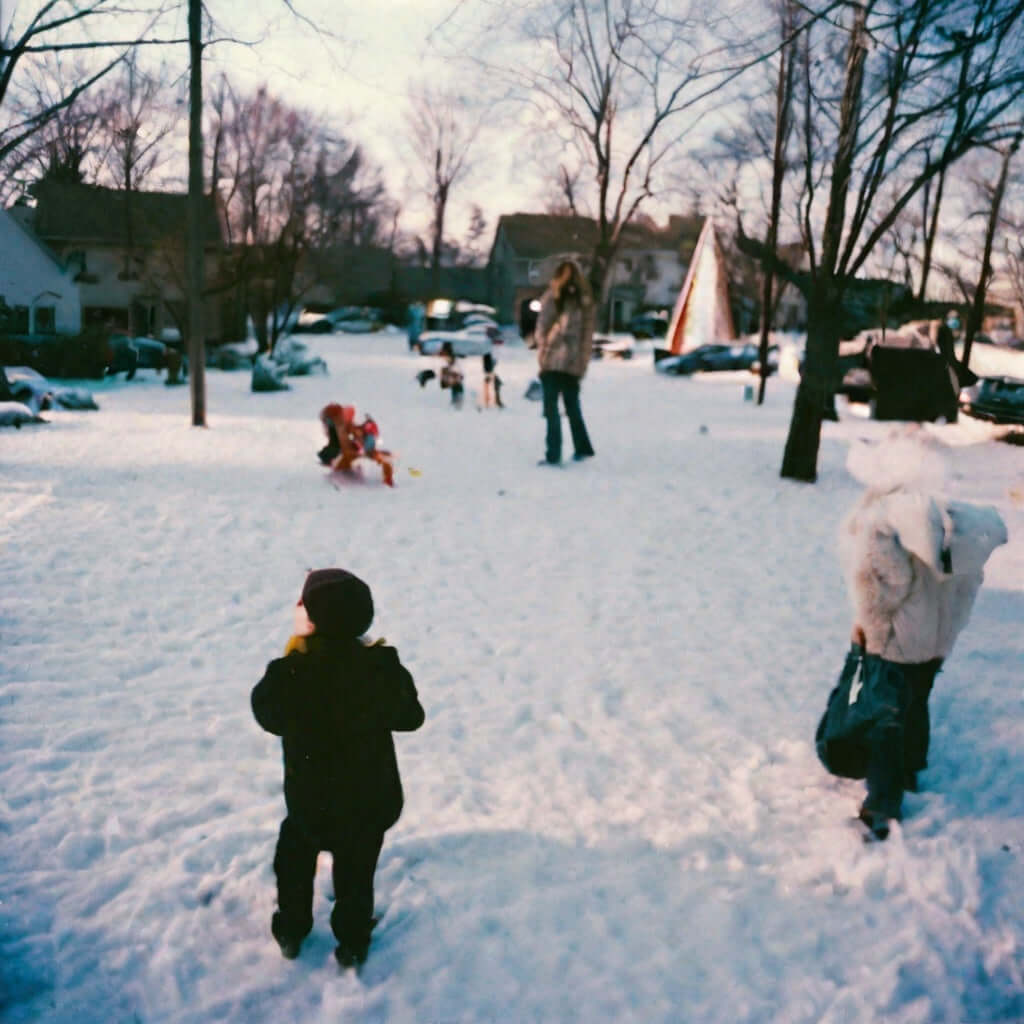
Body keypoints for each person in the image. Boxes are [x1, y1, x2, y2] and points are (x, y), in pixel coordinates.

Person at [252, 569, 425, 967]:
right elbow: (411, 716)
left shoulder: (288, 674)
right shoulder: (380, 667)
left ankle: (291, 929)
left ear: (309, 619)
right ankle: (352, 941)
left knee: (294, 855)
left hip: (311, 805)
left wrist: (296, 652)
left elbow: (267, 714)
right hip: (371, 801)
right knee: (357, 868)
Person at [831, 481, 1007, 839]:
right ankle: (909, 769)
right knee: (915, 702)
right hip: (936, 641)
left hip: (897, 642)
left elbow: (879, 586)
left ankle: (881, 805)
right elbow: (968, 586)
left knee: (885, 719)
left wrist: (872, 632)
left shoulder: (880, 527)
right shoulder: (951, 533)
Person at [529, 260, 596, 465]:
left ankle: (580, 449)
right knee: (553, 409)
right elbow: (542, 327)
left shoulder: (583, 303)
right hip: (552, 361)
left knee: (570, 407)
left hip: (569, 362)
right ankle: (556, 452)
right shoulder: (552, 298)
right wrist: (543, 349)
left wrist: (581, 363)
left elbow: (586, 336)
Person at [439, 341, 464, 409]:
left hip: (453, 372)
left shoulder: (449, 355)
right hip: (454, 373)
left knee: (455, 385)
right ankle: (456, 399)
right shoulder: (451, 354)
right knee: (456, 385)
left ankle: (457, 400)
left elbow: (450, 363)